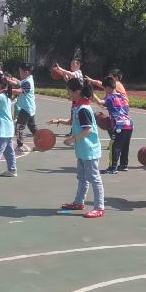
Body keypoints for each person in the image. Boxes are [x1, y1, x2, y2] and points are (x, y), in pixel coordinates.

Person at [47, 78, 105, 218]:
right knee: (82, 177)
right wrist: (59, 121)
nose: (67, 93)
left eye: (69, 91)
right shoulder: (78, 107)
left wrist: (72, 139)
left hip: (89, 150)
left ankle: (99, 208)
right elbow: (72, 122)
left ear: (77, 92)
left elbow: (88, 130)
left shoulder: (83, 109)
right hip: (82, 150)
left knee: (94, 178)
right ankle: (79, 202)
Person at [92, 76, 133, 174]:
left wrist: (91, 93)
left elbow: (99, 102)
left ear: (108, 87)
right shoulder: (122, 97)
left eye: (104, 88)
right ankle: (123, 165)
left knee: (114, 146)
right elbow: (123, 108)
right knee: (125, 146)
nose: (104, 91)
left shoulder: (110, 97)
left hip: (119, 125)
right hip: (129, 124)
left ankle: (112, 168)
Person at [7, 62, 37, 154]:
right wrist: (13, 80)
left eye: (20, 72)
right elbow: (20, 84)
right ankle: (41, 142)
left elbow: (20, 90)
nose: (19, 73)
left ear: (26, 72)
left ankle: (20, 147)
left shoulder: (28, 82)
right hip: (29, 108)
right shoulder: (28, 79)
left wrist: (8, 90)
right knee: (32, 127)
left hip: (26, 109)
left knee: (19, 127)